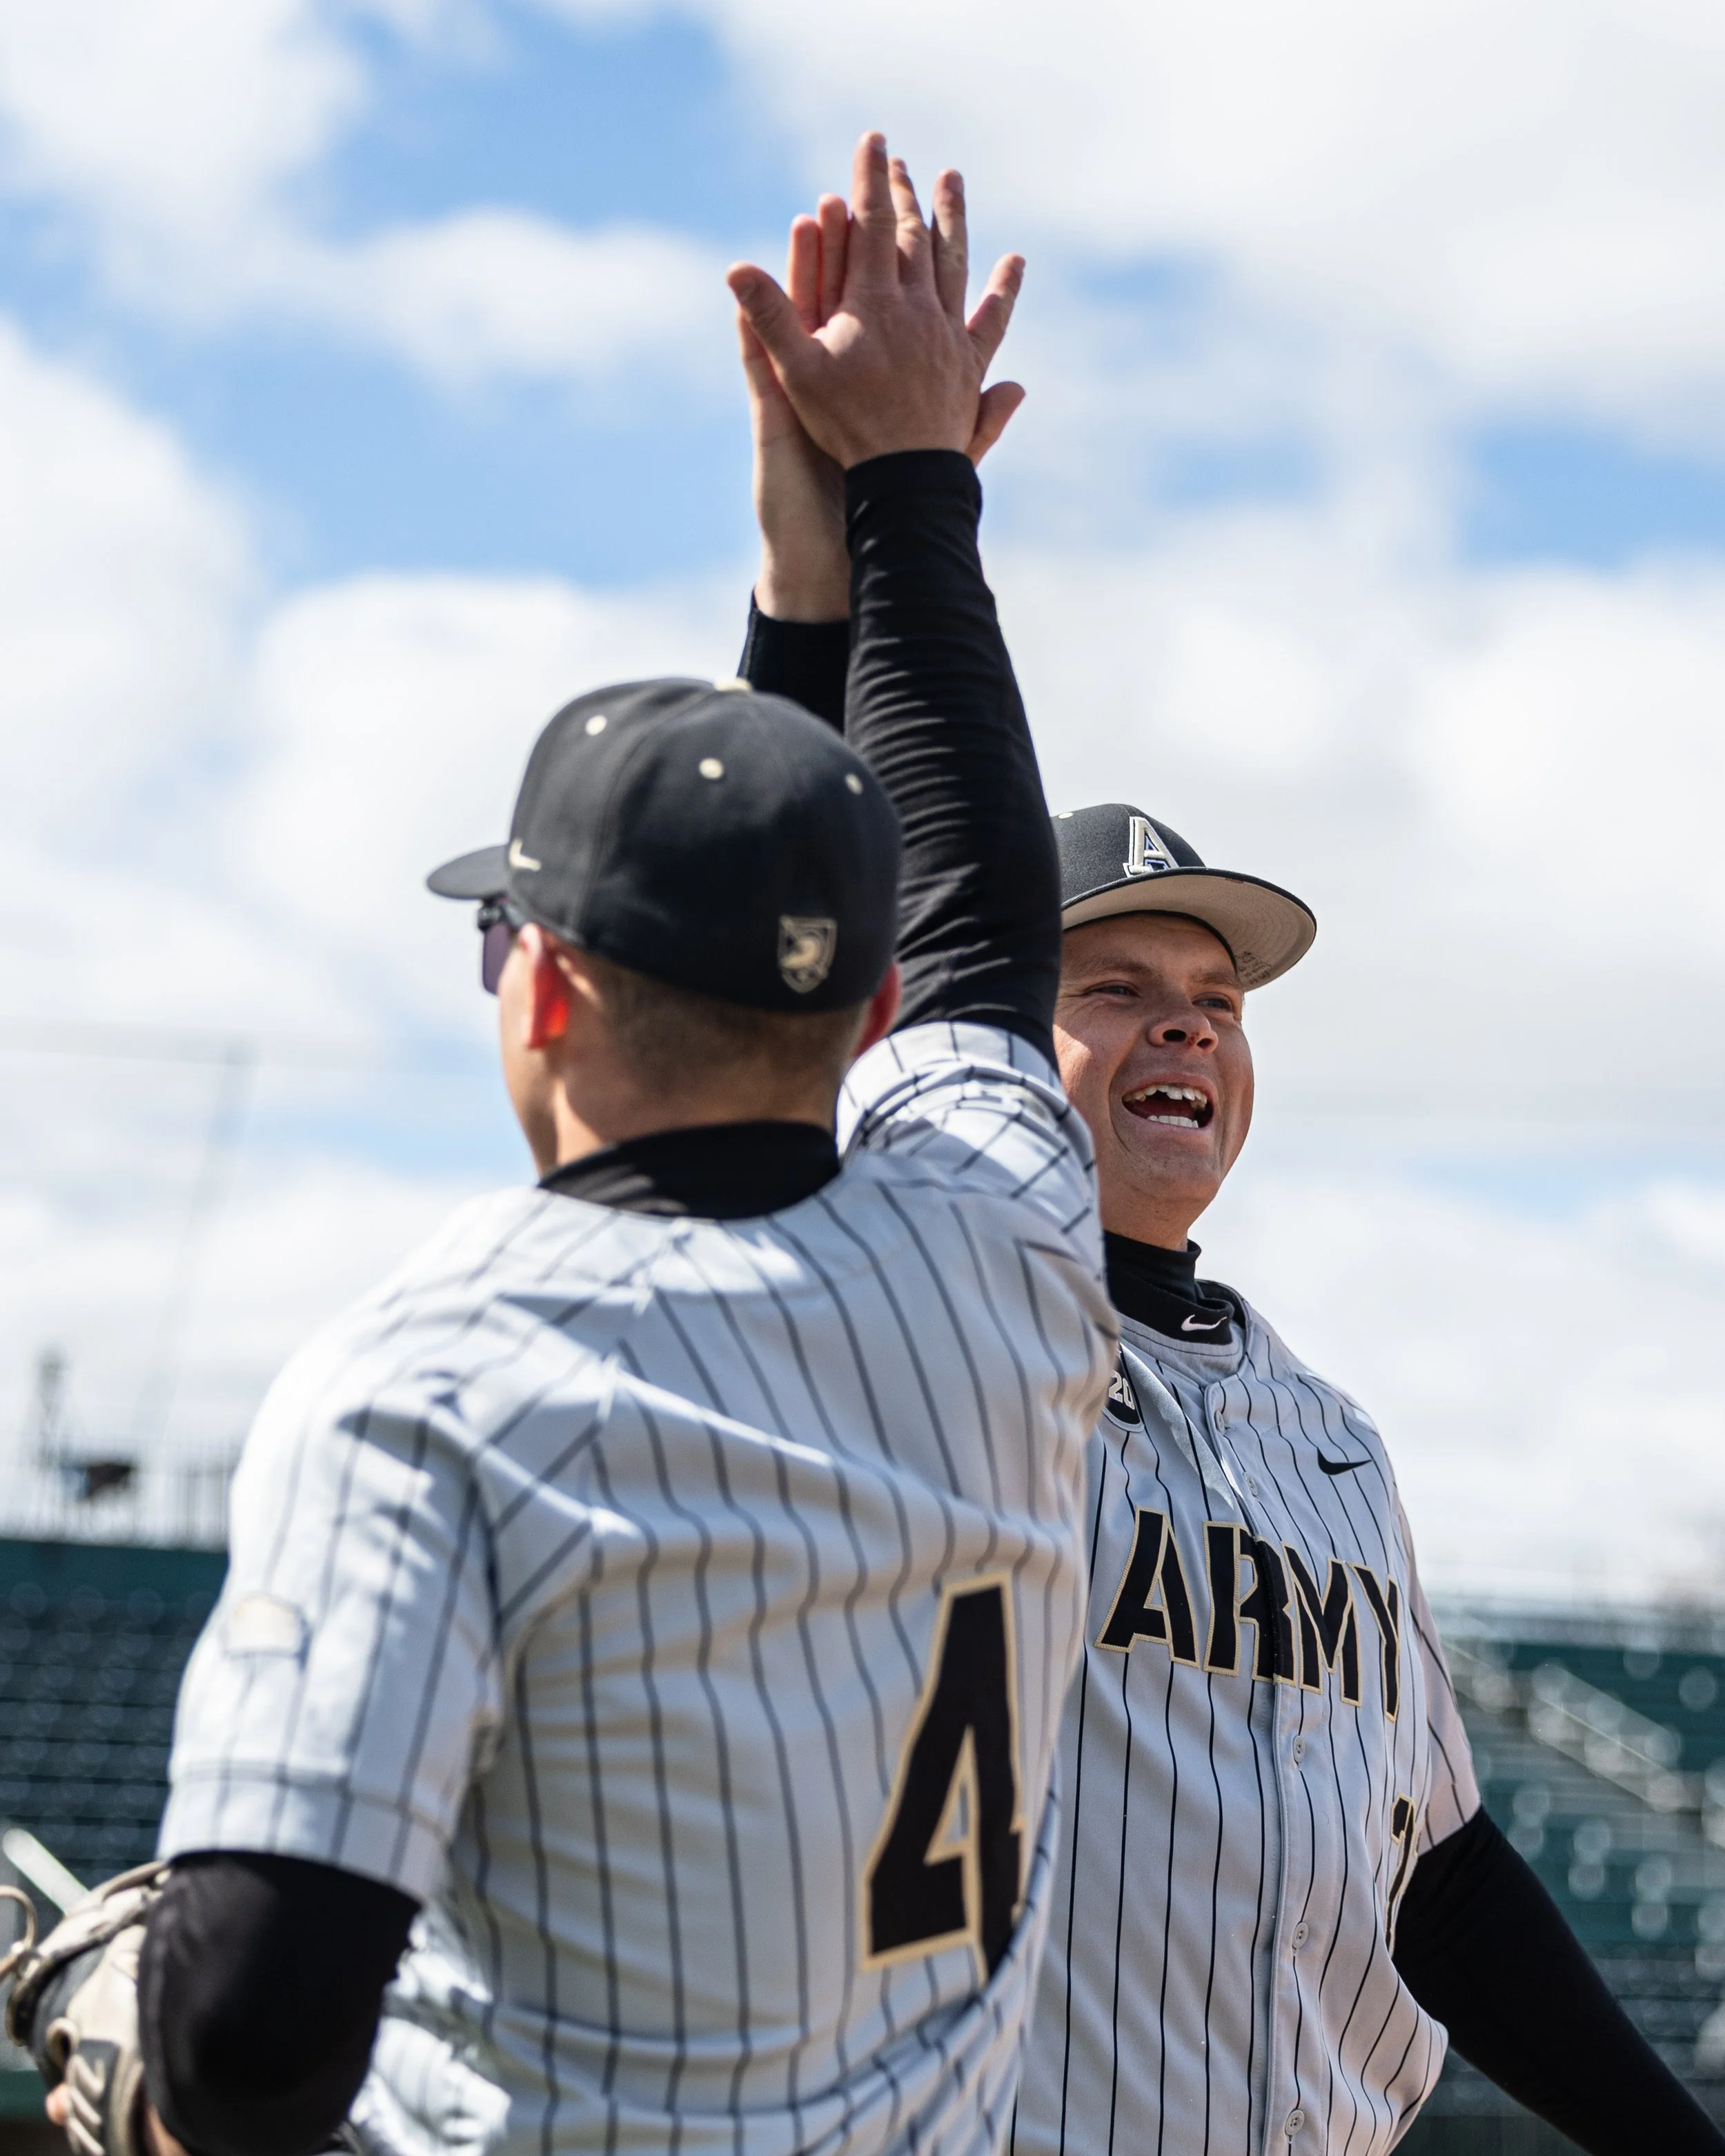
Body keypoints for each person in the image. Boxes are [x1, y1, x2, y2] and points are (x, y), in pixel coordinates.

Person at [20, 135, 1117, 2156]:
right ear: (867, 1007)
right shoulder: (1011, 1257)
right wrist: (886, 514)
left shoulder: (432, 1378)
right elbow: (977, 921)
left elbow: (253, 2048)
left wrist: (135, 2029)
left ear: (540, 993)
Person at [734, 201, 1725, 2156]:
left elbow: (1439, 1877)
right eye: (1113, 990)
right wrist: (825, 572)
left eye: (1216, 1002)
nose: (1183, 1030)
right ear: (985, 1034)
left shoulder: (1330, 1440)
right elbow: (773, 938)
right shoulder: (907, 1322)